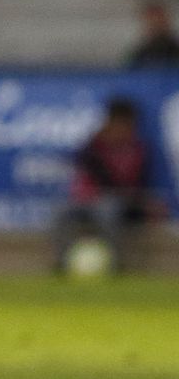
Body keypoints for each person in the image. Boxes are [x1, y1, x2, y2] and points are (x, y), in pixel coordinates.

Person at [52, 97, 163, 272]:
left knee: (108, 210)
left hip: (120, 201)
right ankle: (61, 264)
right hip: (88, 199)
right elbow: (95, 172)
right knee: (60, 213)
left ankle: (114, 264)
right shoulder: (93, 146)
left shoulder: (138, 149)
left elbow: (137, 184)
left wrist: (142, 202)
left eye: (126, 124)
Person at [127, 0, 179, 67]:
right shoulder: (140, 55)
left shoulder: (176, 50)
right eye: (152, 21)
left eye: (159, 20)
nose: (155, 25)